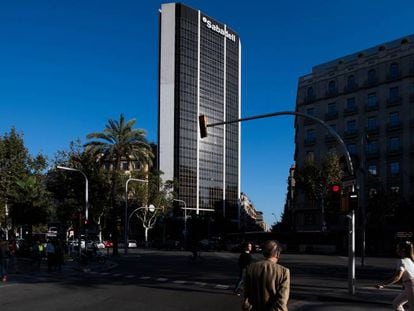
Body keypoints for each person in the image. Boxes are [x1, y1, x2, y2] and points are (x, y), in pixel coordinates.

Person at [243, 240, 290, 311]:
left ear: (264, 253)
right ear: (277, 254)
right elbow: (282, 302)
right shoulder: (283, 271)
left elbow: (247, 295)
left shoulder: (250, 268)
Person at [376, 241, 414, 311]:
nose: (396, 250)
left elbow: (397, 277)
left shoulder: (402, 261)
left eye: (397, 248)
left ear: (403, 250)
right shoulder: (412, 260)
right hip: (409, 287)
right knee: (396, 303)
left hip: (411, 287)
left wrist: (383, 285)